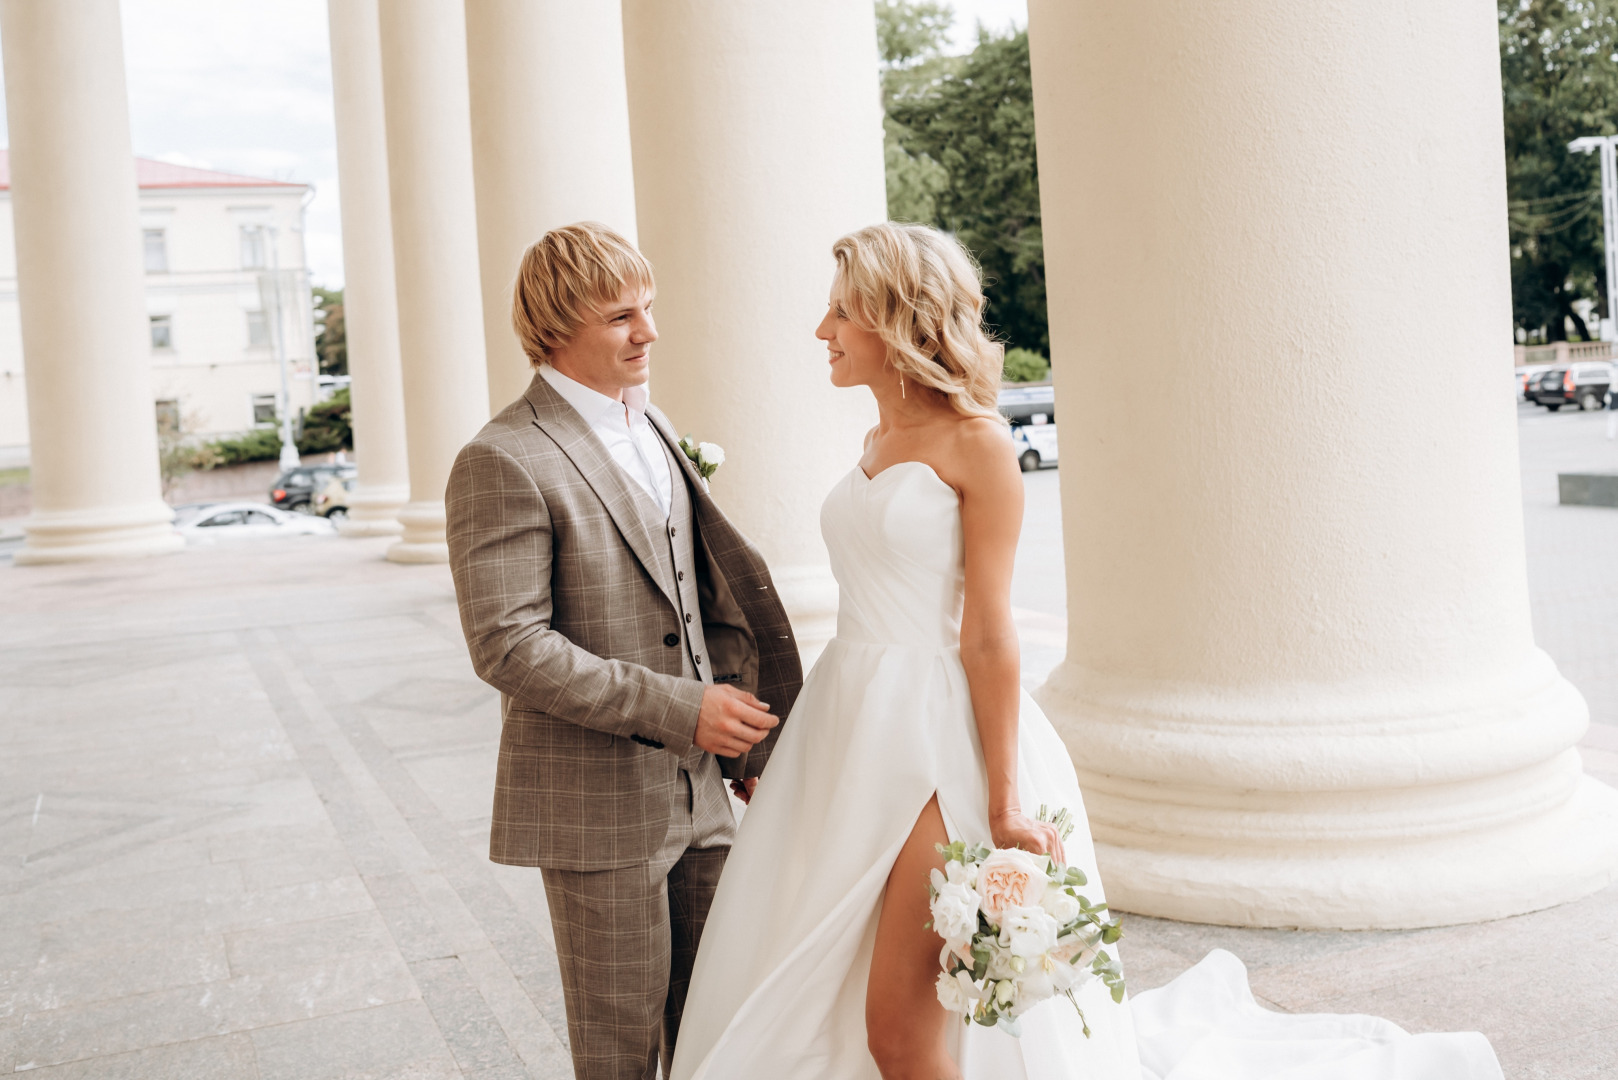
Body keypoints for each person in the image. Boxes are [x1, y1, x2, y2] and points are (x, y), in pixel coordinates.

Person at [669, 223, 1504, 1080]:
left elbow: (988, 631)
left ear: (895, 319)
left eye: (841, 312)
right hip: (847, 729)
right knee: (831, 987)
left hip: (936, 743)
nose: (823, 331)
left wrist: (1003, 803)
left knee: (901, 1031)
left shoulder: (979, 445)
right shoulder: (873, 445)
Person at [444, 222, 803, 1080]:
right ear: (554, 328)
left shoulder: (657, 427)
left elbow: (701, 593)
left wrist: (744, 737)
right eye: (620, 317)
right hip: (596, 810)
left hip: (703, 803)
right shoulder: (502, 458)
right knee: (619, 1055)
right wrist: (684, 710)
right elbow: (508, 645)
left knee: (718, 1030)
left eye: (648, 309)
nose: (648, 332)